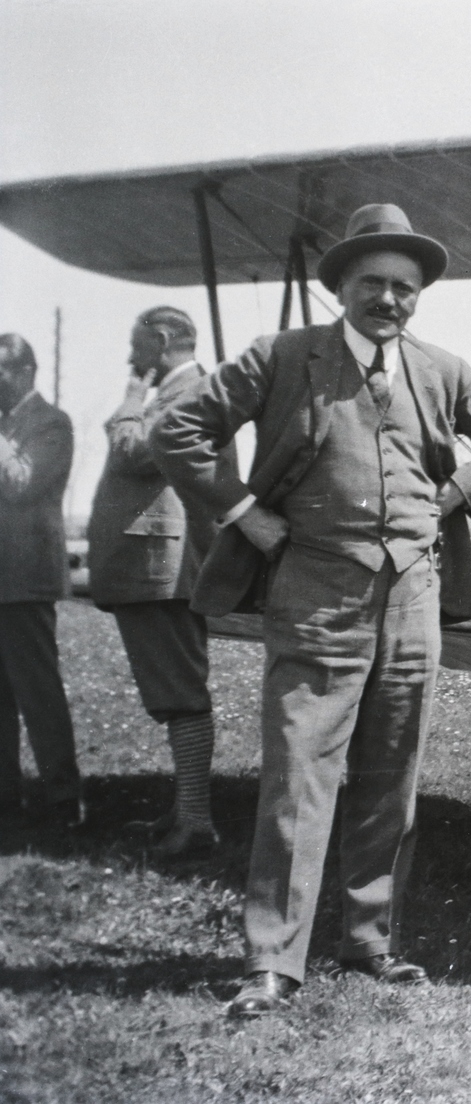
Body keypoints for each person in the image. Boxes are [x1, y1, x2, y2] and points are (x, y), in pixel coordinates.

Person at [154, 203, 471, 1017]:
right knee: (300, 777)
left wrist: (452, 497)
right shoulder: (284, 357)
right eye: (374, 283)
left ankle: (370, 943)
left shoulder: (438, 370)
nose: (391, 300)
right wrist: (243, 512)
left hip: (413, 597)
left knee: (391, 780)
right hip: (314, 596)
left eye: (405, 287)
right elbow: (180, 427)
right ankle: (272, 961)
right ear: (342, 288)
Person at [89, 307, 233, 857]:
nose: (131, 356)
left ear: (164, 338)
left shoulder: (190, 393)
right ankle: (187, 809)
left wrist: (130, 396)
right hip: (156, 571)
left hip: (165, 573)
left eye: (136, 343)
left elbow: (132, 453)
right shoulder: (180, 394)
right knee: (175, 693)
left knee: (181, 694)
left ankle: (196, 821)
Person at [0, 334, 82, 832]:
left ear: (27, 370)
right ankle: (6, 801)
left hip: (25, 582)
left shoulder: (51, 423)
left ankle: (62, 802)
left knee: (38, 695)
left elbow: (21, 484)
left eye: (1, 371)